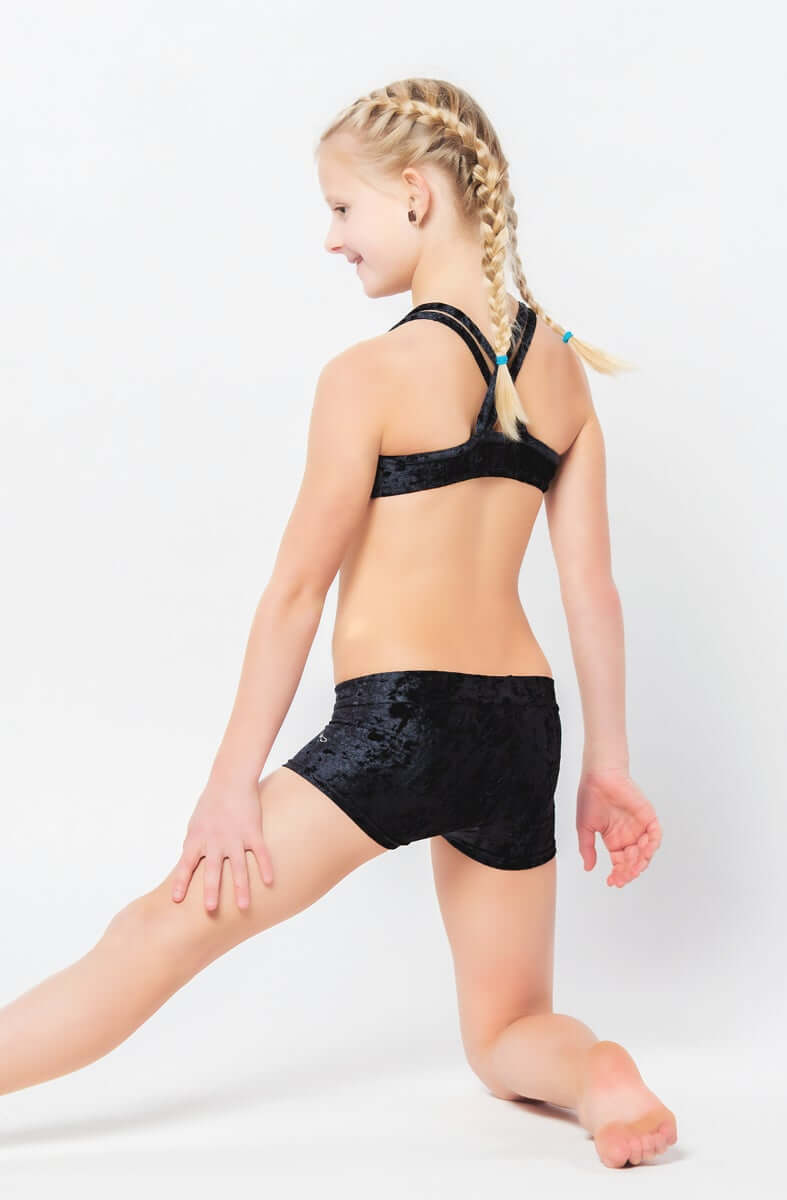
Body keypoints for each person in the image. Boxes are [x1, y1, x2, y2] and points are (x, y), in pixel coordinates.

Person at [0, 77, 675, 1169]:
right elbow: (591, 590)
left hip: (398, 725)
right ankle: (597, 1072)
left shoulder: (370, 374)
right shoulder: (561, 368)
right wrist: (609, 764)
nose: (330, 237)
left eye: (341, 207)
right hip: (520, 728)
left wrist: (231, 782)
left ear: (414, 194)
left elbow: (295, 592)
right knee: (506, 1030)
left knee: (154, 932)